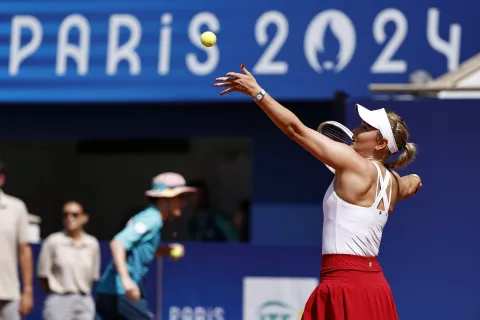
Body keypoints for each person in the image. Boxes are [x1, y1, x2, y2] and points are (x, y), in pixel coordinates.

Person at [214, 65, 423, 319]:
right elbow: (413, 183)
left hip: (343, 286)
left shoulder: (352, 162)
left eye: (365, 128)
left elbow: (296, 129)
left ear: (380, 143)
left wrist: (258, 93)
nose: (356, 130)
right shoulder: (393, 183)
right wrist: (409, 179)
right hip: (376, 289)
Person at [95, 172, 196, 320]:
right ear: (164, 198)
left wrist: (166, 251)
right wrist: (126, 280)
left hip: (109, 292)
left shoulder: (152, 218)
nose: (184, 203)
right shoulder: (152, 218)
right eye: (179, 197)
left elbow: (139, 250)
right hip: (119, 292)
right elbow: (118, 243)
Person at [37, 201, 100, 320]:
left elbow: (93, 276)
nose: (69, 218)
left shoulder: (92, 244)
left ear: (84, 218)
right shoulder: (53, 242)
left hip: (84, 299)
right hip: (59, 299)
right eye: (66, 215)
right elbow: (43, 275)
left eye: (75, 215)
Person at [0, 160, 34, 320]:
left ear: (1, 179)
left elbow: (24, 250)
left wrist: (27, 290)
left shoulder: (16, 207)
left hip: (8, 292)